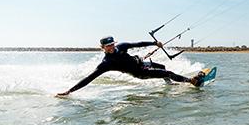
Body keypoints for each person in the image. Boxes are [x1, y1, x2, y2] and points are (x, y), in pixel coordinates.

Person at [56, 36, 204, 96]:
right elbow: (89, 79)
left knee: (163, 67)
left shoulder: (121, 47)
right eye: (108, 46)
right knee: (168, 72)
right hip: (140, 72)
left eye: (112, 44)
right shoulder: (106, 64)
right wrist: (69, 91)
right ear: (103, 48)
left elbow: (137, 44)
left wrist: (154, 43)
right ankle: (192, 81)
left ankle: (170, 84)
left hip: (141, 62)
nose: (111, 47)